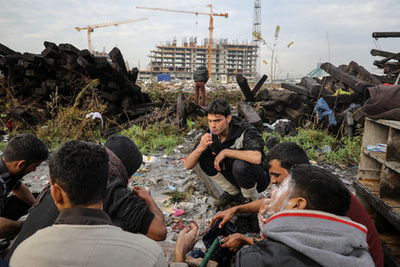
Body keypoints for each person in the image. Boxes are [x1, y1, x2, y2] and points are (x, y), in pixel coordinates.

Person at [9, 141, 194, 267]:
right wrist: (179, 256)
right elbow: (160, 231)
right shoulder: (147, 255)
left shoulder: (23, 254)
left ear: (55, 192)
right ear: (107, 183)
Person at [210, 141, 384, 267]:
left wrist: (248, 240)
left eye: (277, 178)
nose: (271, 184)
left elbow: (292, 253)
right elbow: (273, 202)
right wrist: (236, 209)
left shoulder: (320, 202)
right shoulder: (315, 187)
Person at [234, 164, 375, 266]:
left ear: (296, 205)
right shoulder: (358, 254)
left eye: (281, 187)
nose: (272, 193)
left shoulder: (256, 260)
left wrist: (266, 239)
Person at [185, 99, 270, 206]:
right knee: (204, 160)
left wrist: (226, 152)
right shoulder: (212, 135)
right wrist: (200, 148)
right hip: (234, 177)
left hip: (258, 179)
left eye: (217, 121)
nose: (212, 126)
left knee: (239, 165)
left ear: (228, 118)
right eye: (209, 121)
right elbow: (188, 165)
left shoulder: (245, 130)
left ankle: (250, 199)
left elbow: (257, 157)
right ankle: (232, 192)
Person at [0, 133, 48, 239]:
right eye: (33, 167)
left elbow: (18, 187)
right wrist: (29, 226)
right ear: (20, 164)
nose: (34, 171)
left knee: (40, 199)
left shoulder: (6, 168)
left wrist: (36, 207)